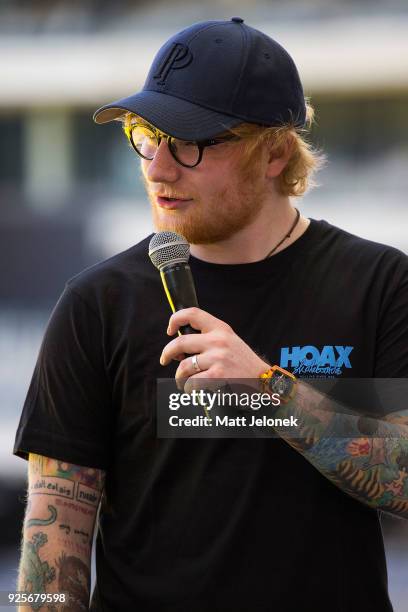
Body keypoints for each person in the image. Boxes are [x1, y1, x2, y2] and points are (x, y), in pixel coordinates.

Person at [14, 17, 408, 612]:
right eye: (147, 136)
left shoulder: (380, 283)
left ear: (274, 152)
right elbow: (54, 542)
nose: (157, 167)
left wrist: (267, 391)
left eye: (189, 143)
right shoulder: (97, 304)